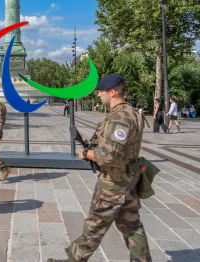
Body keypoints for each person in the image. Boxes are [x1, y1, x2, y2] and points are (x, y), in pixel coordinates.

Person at [48, 73, 151, 262]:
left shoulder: (119, 117)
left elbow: (110, 155)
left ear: (112, 92)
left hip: (114, 181)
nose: (98, 95)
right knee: (131, 224)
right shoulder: (131, 112)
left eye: (101, 92)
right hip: (128, 178)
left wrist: (87, 154)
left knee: (95, 224)